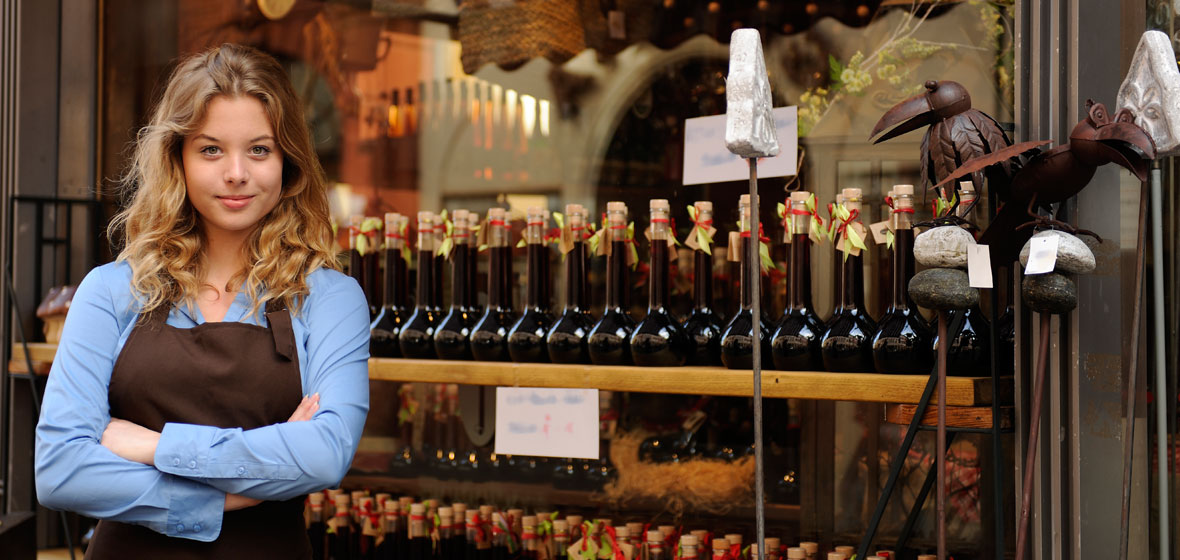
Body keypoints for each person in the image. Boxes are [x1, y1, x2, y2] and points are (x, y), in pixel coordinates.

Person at [34, 43, 370, 558]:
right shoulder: (111, 290)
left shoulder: (330, 298)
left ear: (289, 162)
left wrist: (154, 446)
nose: (236, 172)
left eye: (259, 149)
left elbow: (324, 455)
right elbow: (59, 472)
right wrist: (227, 498)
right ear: (178, 159)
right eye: (211, 149)